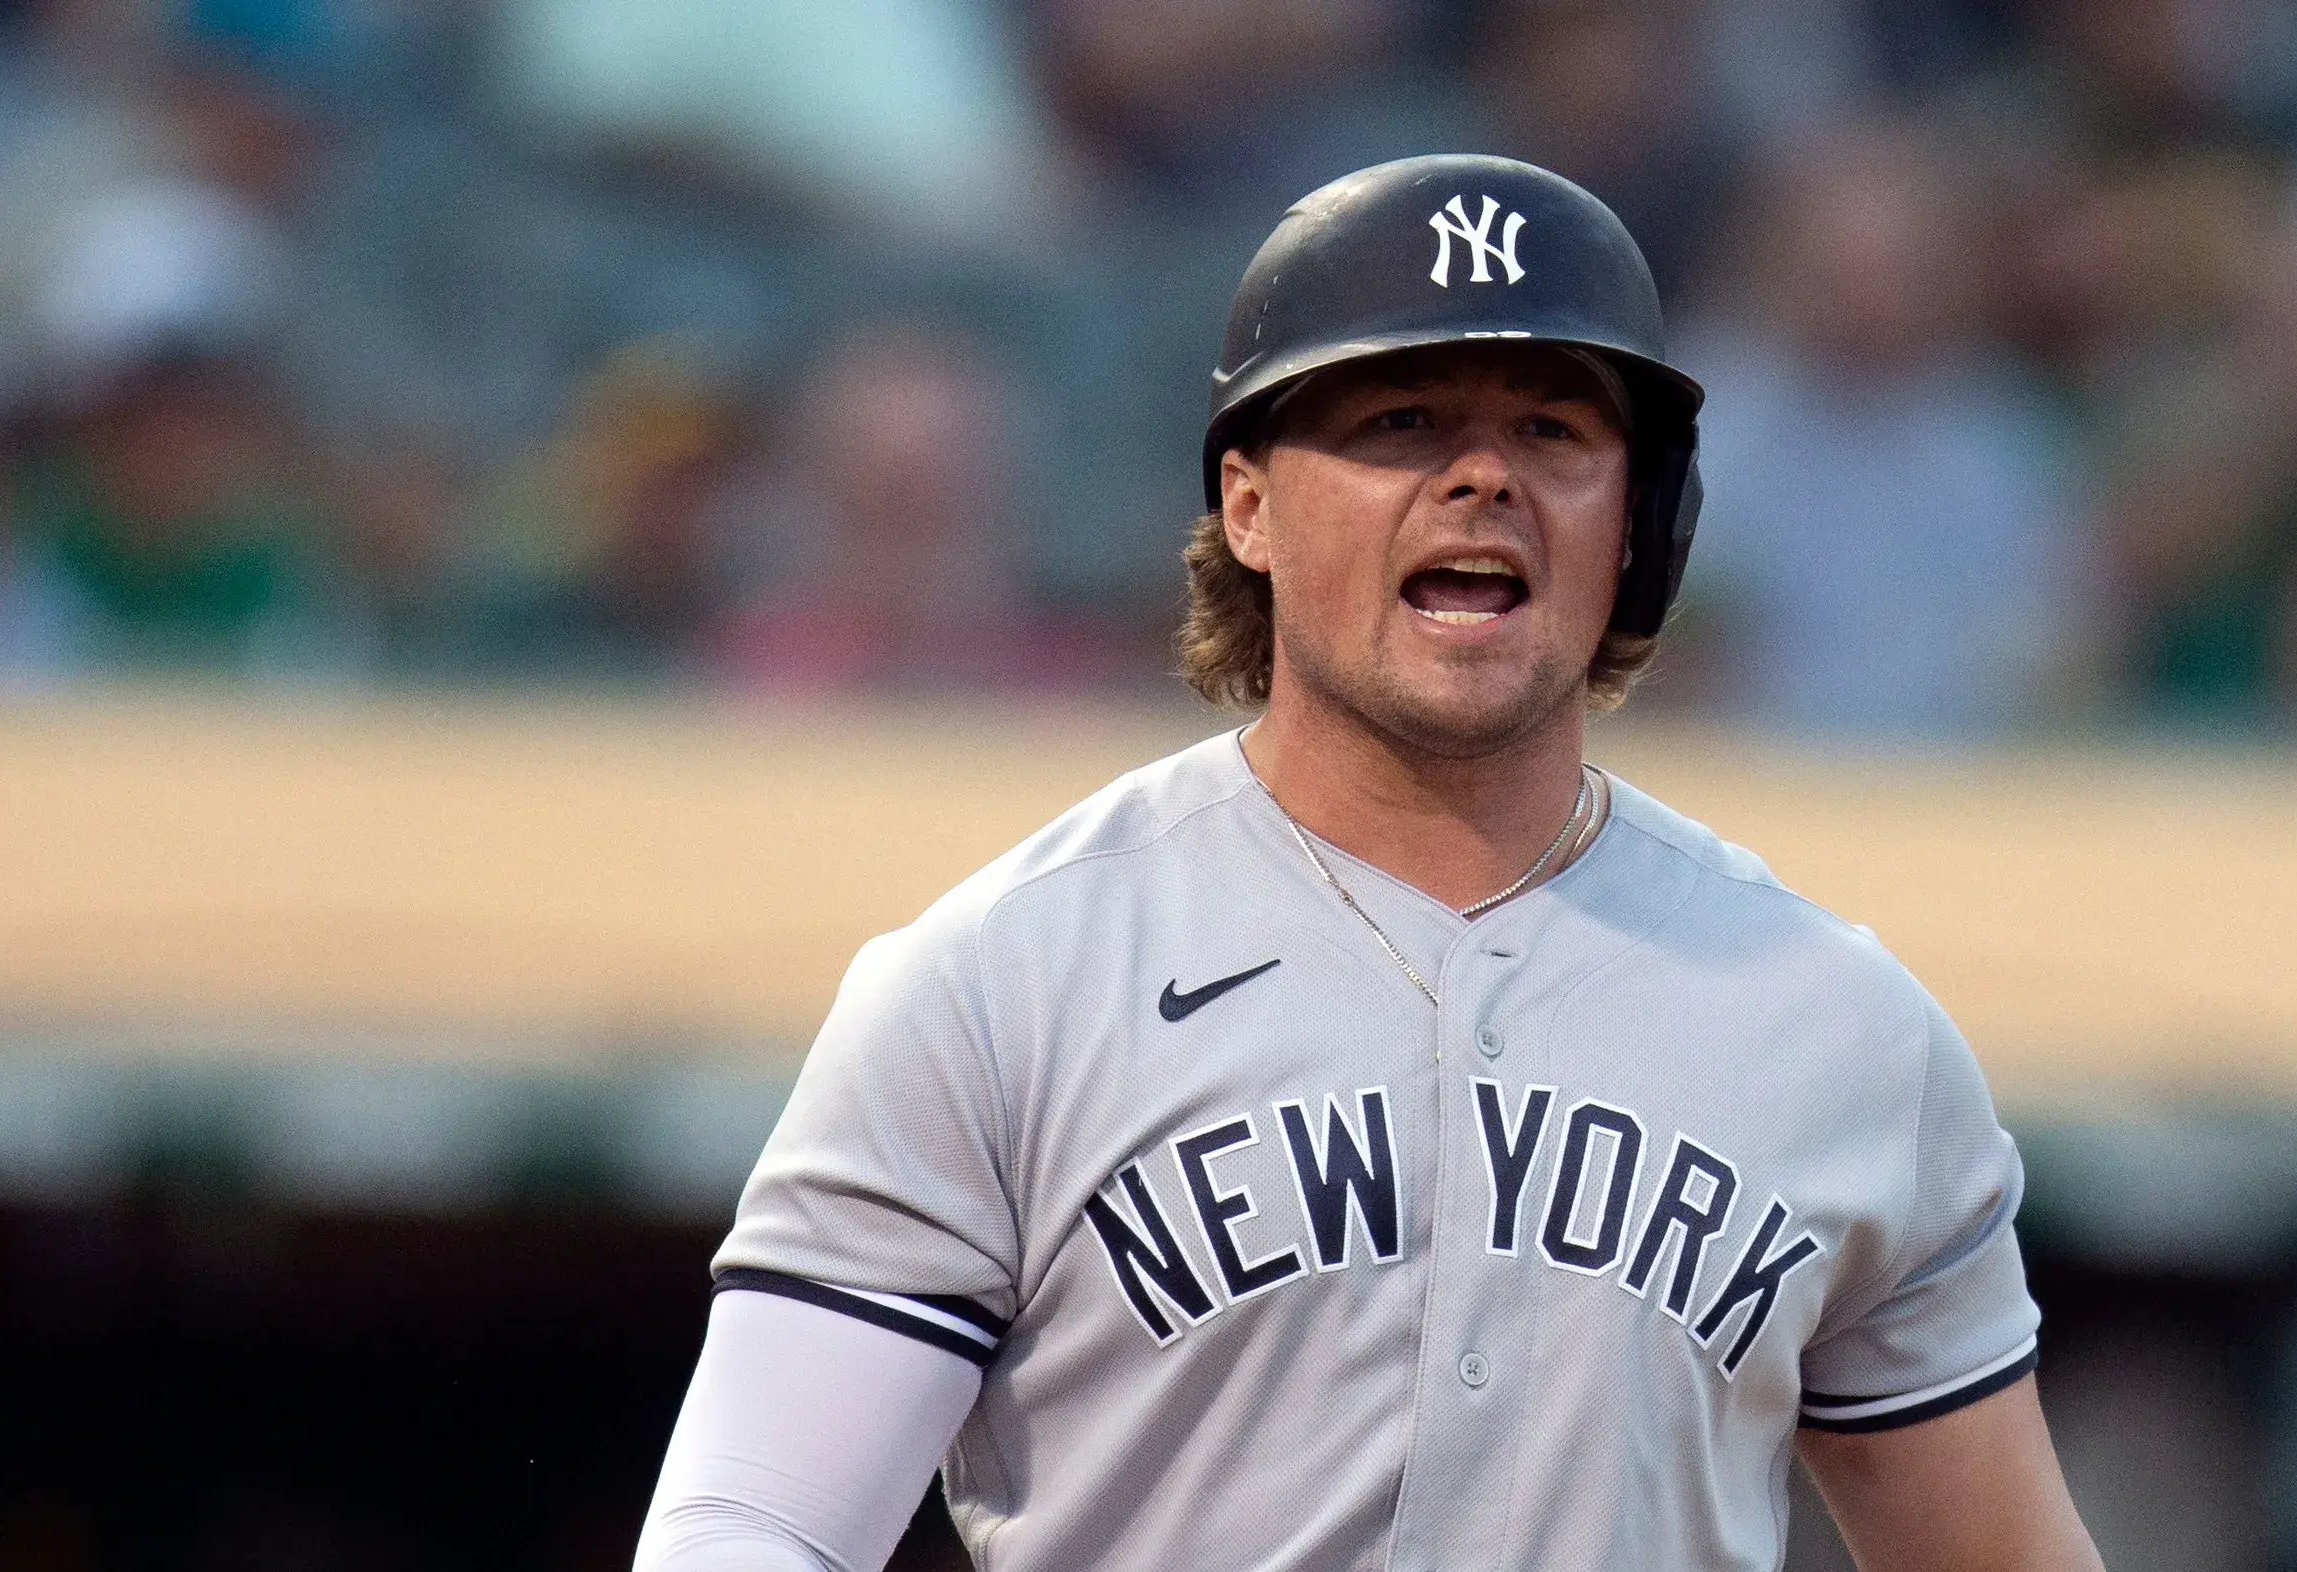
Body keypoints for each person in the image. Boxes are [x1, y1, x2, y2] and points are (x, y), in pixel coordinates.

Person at [636, 155, 2103, 1572]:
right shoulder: (998, 984)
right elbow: (750, 1528)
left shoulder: (1843, 1033)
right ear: (1252, 508)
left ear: (1644, 528)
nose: (1482, 479)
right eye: (1401, 421)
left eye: (1553, 433)